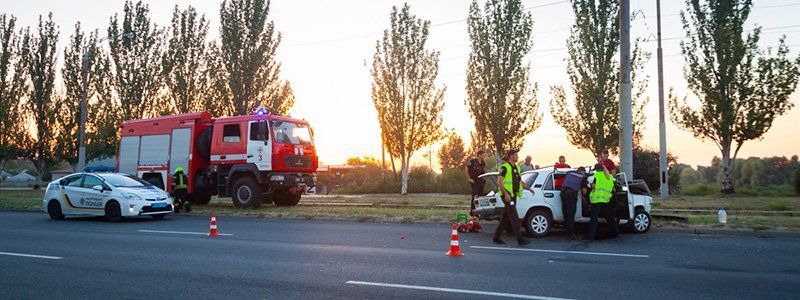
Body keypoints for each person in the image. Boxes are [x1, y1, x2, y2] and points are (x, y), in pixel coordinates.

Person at [494, 149, 532, 246]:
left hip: (514, 195)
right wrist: (506, 194)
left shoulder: (518, 168)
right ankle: (520, 239)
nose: (517, 157)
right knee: (514, 217)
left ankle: (496, 237)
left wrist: (529, 188)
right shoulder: (505, 167)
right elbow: (499, 182)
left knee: (506, 218)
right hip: (507, 196)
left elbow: (520, 182)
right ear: (511, 156)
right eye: (516, 155)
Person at [585, 163, 619, 241]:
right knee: (609, 217)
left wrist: (589, 186)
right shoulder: (610, 177)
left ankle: (590, 236)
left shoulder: (595, 176)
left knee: (594, 219)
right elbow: (614, 187)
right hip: (606, 200)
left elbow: (592, 186)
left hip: (596, 200)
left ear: (596, 169)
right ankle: (615, 232)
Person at [560, 166, 584, 240]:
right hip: (571, 195)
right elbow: (584, 191)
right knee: (571, 214)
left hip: (563, 193)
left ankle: (567, 230)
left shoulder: (569, 173)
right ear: (582, 171)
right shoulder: (582, 177)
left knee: (566, 212)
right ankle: (571, 234)